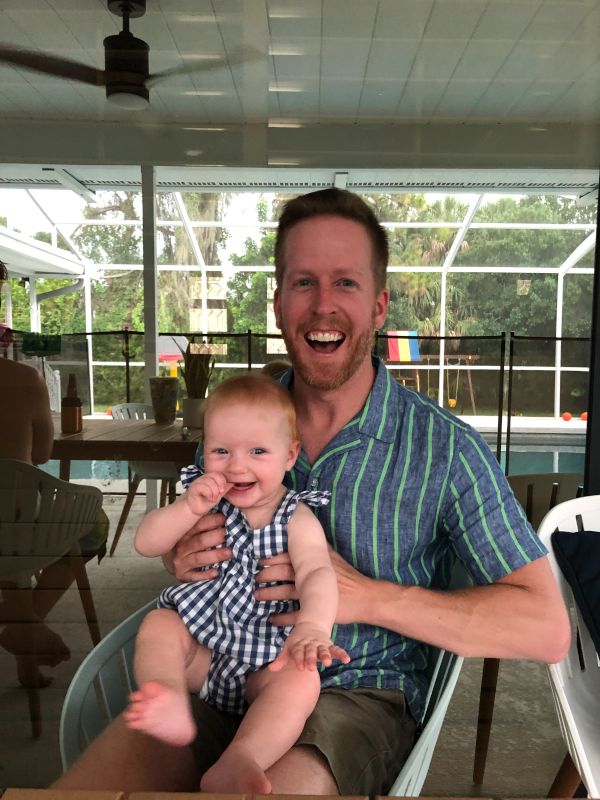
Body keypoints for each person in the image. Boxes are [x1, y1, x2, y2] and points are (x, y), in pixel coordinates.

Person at [54, 188, 570, 795]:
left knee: (285, 788)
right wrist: (180, 553)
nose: (323, 306)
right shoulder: (238, 426)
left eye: (345, 283)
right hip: (218, 672)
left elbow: (546, 627)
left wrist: (369, 598)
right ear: (277, 303)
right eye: (303, 283)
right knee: (100, 782)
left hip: (349, 696)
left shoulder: (444, 449)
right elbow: (188, 544)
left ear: (379, 307)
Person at [123, 373, 349, 793]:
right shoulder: (203, 501)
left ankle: (242, 757)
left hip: (265, 662)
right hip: (203, 652)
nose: (237, 465)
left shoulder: (294, 516)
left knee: (301, 680)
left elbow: (318, 572)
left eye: (258, 451)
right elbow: (145, 543)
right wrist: (187, 508)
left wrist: (313, 628)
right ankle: (169, 697)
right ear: (204, 451)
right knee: (159, 625)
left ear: (289, 454)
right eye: (221, 450)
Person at [0, 314, 107, 687]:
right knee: (93, 525)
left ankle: (21, 619)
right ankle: (26, 620)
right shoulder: (24, 379)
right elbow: (44, 453)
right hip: (16, 526)